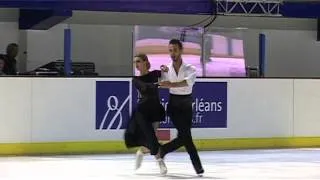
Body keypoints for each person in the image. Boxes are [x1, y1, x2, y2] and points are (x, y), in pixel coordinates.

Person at [158, 39, 204, 176]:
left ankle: (162, 150)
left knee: (184, 137)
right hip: (173, 106)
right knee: (186, 137)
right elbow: (161, 81)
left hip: (186, 106)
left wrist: (169, 84)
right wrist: (162, 79)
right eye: (170, 50)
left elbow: (185, 83)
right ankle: (198, 168)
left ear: (181, 50)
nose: (172, 53)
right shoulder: (167, 69)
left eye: (175, 50)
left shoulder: (191, 69)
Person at [124, 53, 167, 175]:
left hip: (155, 111)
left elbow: (167, 73)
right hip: (142, 112)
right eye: (135, 62)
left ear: (145, 62)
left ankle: (141, 152)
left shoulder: (154, 74)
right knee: (152, 138)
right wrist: (158, 84)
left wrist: (165, 69)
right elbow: (145, 88)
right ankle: (160, 162)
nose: (136, 64)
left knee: (151, 139)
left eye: (138, 61)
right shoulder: (136, 80)